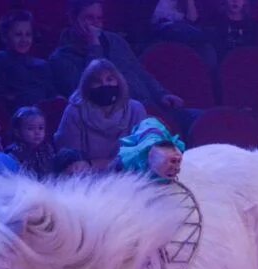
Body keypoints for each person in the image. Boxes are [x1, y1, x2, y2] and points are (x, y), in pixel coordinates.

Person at [49, 0, 184, 112]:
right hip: (122, 119)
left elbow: (140, 72)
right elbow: (88, 93)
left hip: (153, 106)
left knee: (198, 119)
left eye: (99, 18)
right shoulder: (61, 58)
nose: (96, 23)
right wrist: (94, 46)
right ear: (73, 19)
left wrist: (162, 94)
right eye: (89, 18)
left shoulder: (115, 40)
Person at [53, 59, 147, 169]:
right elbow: (70, 161)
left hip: (129, 173)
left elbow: (142, 154)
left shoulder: (135, 109)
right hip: (86, 178)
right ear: (87, 86)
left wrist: (95, 164)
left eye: (109, 79)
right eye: (97, 81)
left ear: (118, 82)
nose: (104, 85)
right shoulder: (74, 111)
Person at [0, 9, 57, 111]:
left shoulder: (43, 65)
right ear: (5, 37)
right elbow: (1, 95)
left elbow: (51, 95)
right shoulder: (0, 59)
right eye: (18, 34)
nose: (24, 40)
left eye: (28, 34)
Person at [115, 117, 186, 184]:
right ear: (153, 161)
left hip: (160, 131)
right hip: (147, 125)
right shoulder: (130, 158)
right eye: (173, 161)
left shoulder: (176, 151)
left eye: (179, 161)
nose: (177, 168)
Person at [151, 0, 216, 66]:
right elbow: (160, 15)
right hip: (166, 25)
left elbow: (192, 18)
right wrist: (179, 17)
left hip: (185, 28)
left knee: (206, 46)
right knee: (200, 38)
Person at [5, 106, 55, 178]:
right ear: (17, 132)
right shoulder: (15, 152)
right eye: (30, 128)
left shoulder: (47, 149)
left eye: (40, 128)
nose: (37, 132)